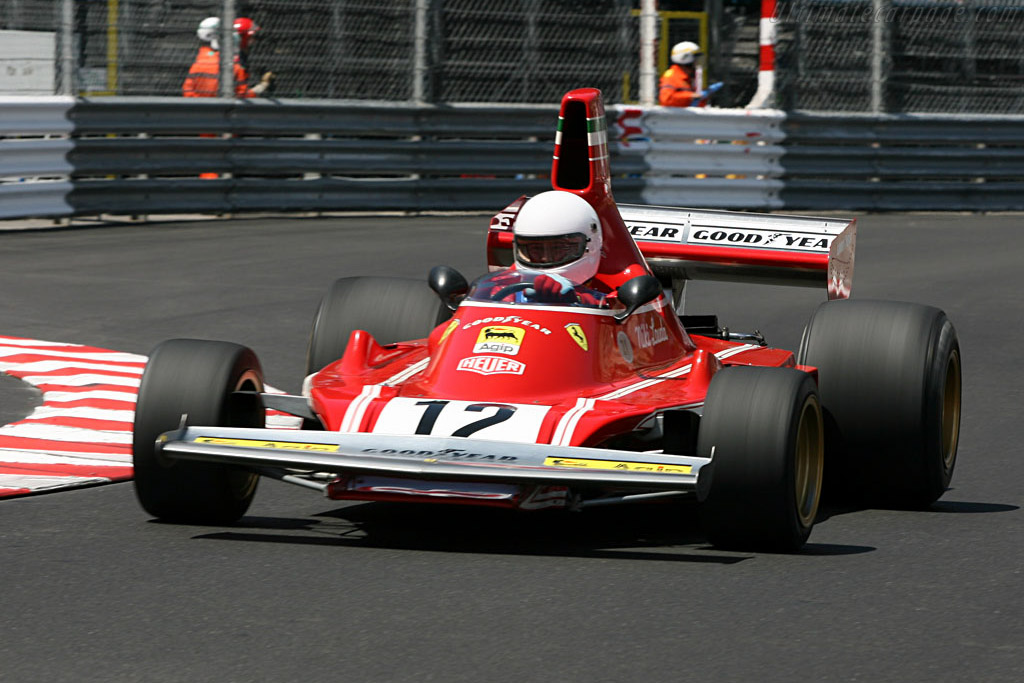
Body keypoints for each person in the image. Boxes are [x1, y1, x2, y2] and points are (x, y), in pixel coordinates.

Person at [484, 191, 609, 307]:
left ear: (590, 245)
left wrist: (578, 300)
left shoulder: (608, 298)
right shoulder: (502, 289)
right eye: (536, 248)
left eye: (558, 248)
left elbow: (615, 310)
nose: (544, 257)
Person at [183, 16, 274, 98]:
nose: (253, 41)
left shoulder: (200, 61)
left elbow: (187, 89)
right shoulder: (235, 66)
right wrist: (263, 86)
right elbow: (243, 94)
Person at [658, 41, 722, 107]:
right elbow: (666, 100)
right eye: (696, 59)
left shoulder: (691, 78)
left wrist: (704, 96)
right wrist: (691, 96)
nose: (698, 62)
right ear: (685, 58)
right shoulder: (671, 77)